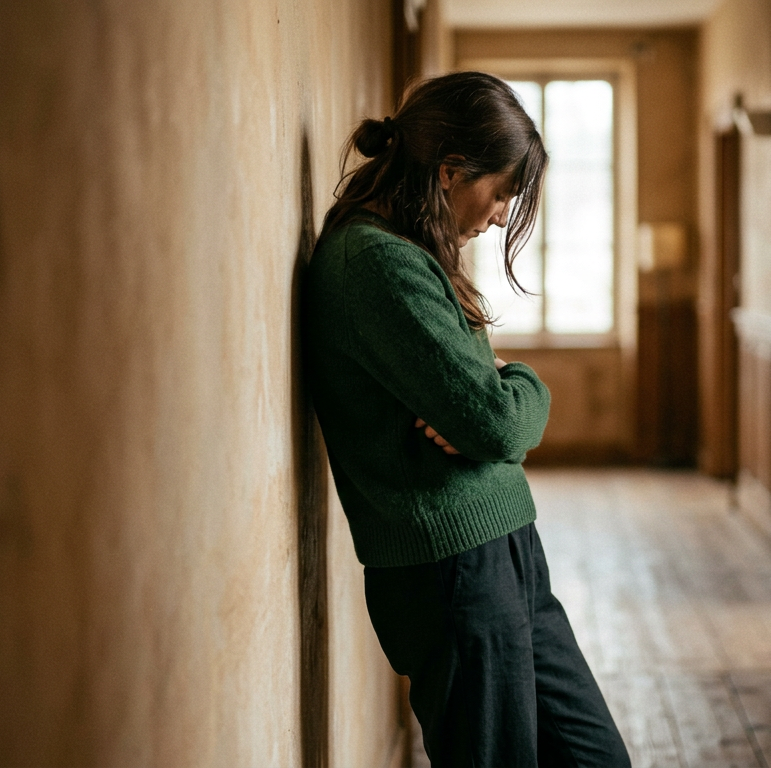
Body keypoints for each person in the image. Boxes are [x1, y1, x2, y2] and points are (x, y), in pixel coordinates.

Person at [304, 71, 631, 768]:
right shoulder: (375, 263)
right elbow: (497, 426)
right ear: (451, 171)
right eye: (503, 192)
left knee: (597, 759)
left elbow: (491, 414)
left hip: (505, 546)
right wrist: (515, 387)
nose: (504, 215)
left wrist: (510, 385)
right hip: (451, 569)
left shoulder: (413, 252)